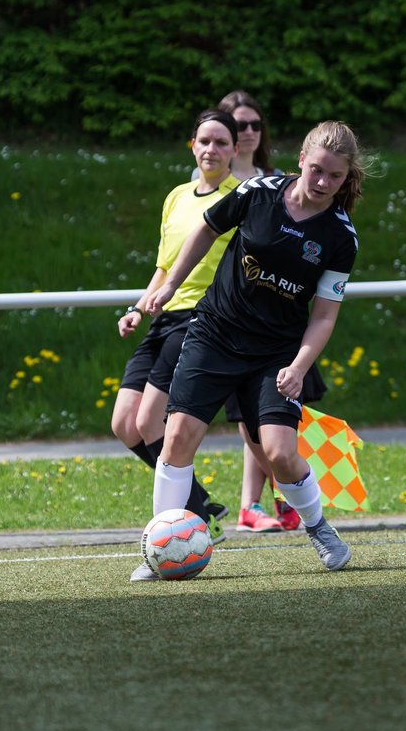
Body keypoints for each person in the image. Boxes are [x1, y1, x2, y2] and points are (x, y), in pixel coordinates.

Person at [131, 120, 370, 581]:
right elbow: (205, 229)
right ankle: (158, 548)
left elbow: (323, 315)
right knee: (177, 437)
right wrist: (170, 285)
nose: (323, 183)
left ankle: (318, 528)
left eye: (334, 176)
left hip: (275, 352)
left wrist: (300, 366)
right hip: (216, 333)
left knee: (280, 454)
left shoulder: (341, 236)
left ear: (346, 176)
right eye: (316, 170)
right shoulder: (258, 192)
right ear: (301, 159)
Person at [194, 91, 327, 532]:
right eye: (239, 125)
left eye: (255, 125)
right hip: (222, 315)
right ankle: (251, 503)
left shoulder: (286, 185)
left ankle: (290, 503)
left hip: (275, 327)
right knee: (245, 425)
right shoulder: (213, 183)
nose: (248, 132)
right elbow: (195, 235)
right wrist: (164, 290)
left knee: (272, 430)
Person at [111, 110, 241, 541]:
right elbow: (165, 266)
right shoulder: (177, 196)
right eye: (204, 140)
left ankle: (197, 517)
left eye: (222, 142)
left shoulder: (239, 196)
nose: (212, 149)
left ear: (235, 151)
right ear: (192, 145)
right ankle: (203, 506)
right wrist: (138, 305)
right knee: (124, 424)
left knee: (150, 421)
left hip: (202, 318)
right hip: (164, 316)